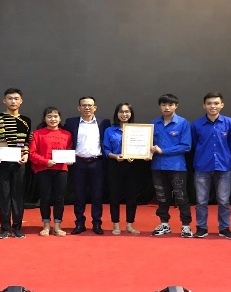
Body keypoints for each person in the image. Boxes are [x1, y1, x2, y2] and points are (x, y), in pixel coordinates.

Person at [191, 92, 231, 239]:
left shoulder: (229, 123)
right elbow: (194, 144)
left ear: (222, 105)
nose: (213, 106)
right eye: (209, 103)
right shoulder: (196, 124)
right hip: (202, 166)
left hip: (223, 166)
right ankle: (201, 227)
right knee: (201, 201)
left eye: (216, 103)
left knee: (224, 200)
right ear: (204, 106)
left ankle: (224, 228)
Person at [63, 96, 111, 235]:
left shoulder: (104, 123)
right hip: (78, 163)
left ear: (95, 107)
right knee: (79, 195)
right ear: (79, 108)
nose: (87, 108)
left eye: (90, 105)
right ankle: (79, 223)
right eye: (84, 105)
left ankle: (97, 223)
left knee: (97, 195)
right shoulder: (71, 122)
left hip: (97, 163)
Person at [0, 88, 32, 239]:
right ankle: (5, 228)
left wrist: (26, 154)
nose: (13, 101)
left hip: (19, 162)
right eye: (10, 98)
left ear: (21, 101)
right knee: (3, 196)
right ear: (4, 100)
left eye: (16, 98)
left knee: (18, 196)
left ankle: (17, 228)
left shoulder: (26, 120)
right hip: (1, 162)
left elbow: (26, 142)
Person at [150, 94, 193, 238]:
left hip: (176, 166)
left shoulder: (183, 123)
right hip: (157, 166)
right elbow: (147, 144)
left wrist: (163, 151)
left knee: (181, 196)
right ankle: (164, 224)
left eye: (170, 105)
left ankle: (186, 225)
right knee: (161, 196)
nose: (167, 108)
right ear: (159, 106)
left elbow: (186, 146)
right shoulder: (154, 123)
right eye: (163, 105)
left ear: (176, 106)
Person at [29, 106, 73, 237]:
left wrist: (69, 160)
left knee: (59, 198)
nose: (52, 119)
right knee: (45, 198)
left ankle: (57, 226)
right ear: (44, 119)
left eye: (55, 116)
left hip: (61, 170)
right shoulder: (37, 134)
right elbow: (32, 154)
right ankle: (46, 225)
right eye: (49, 116)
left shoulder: (67, 134)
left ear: (60, 118)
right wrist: (45, 161)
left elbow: (69, 150)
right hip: (43, 170)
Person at [102, 103, 141, 235]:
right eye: (121, 112)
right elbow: (106, 149)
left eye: (127, 112)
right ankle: (116, 225)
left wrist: (136, 155)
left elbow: (142, 148)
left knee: (132, 196)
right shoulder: (109, 130)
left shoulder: (138, 130)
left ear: (131, 114)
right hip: (115, 164)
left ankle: (130, 225)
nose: (124, 114)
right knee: (114, 196)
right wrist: (114, 156)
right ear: (117, 114)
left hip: (132, 165)